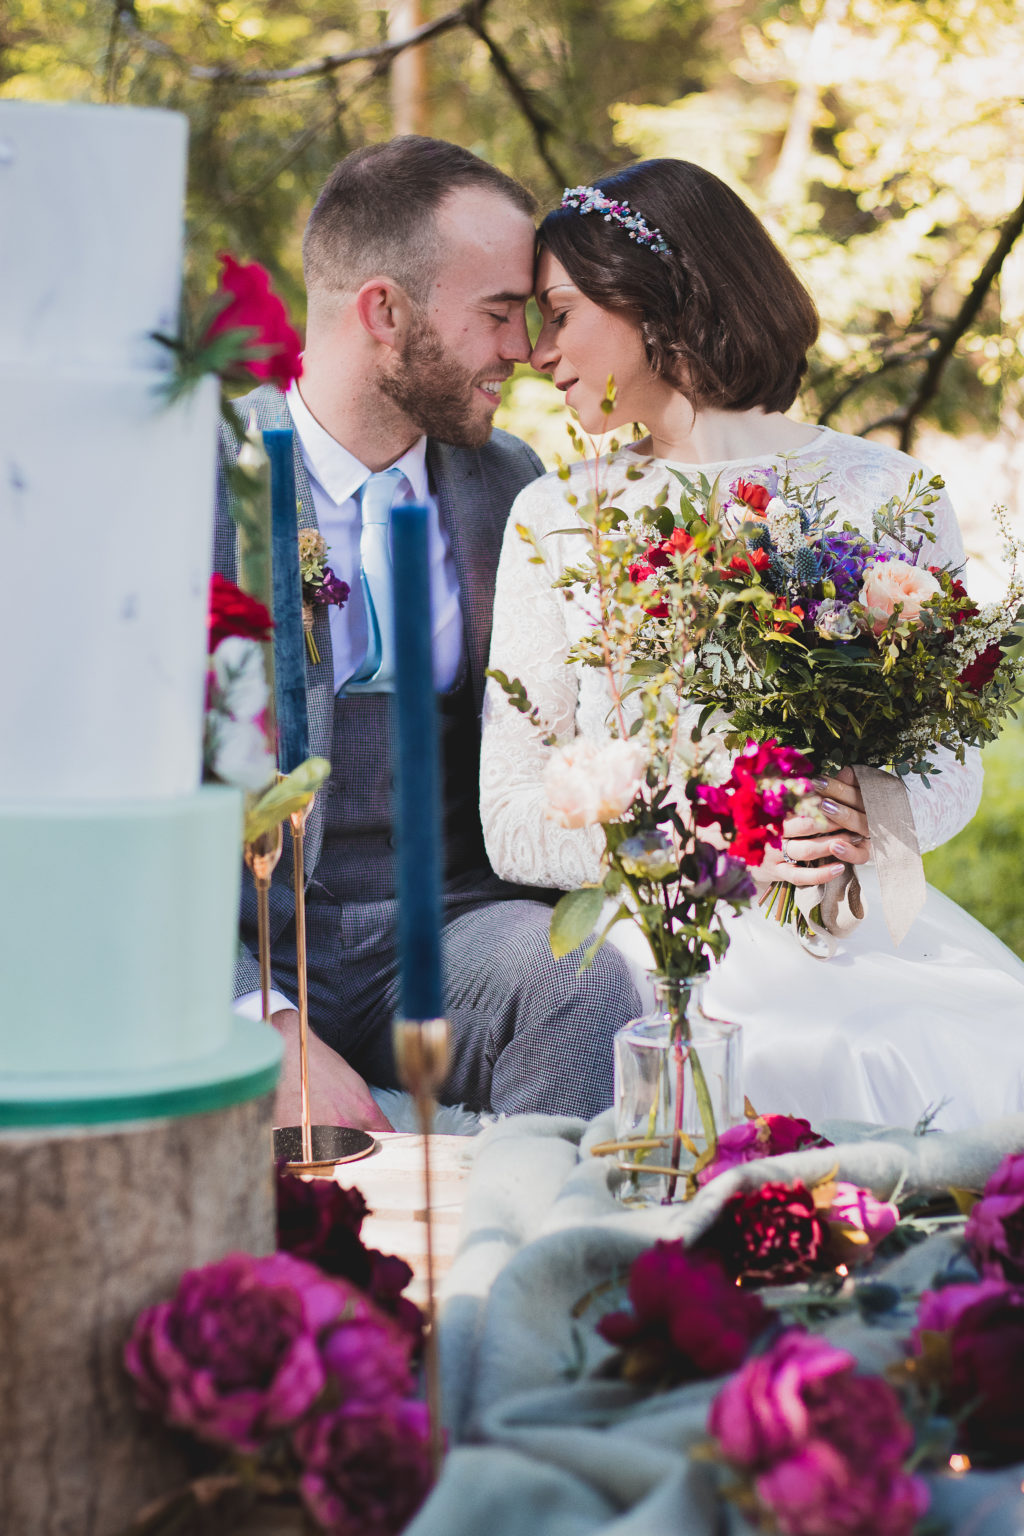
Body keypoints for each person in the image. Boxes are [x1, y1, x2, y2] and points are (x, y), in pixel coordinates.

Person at [480, 157, 1024, 1132]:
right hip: (660, 941)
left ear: (655, 297)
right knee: (781, 1050)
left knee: (937, 1055)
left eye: (559, 312)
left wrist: (871, 812)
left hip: (856, 931)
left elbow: (951, 770)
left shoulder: (888, 493)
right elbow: (511, 816)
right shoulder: (555, 518)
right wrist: (709, 833)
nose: (535, 350)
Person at [217, 137, 642, 1132]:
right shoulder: (195, 477)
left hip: (449, 930)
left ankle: (518, 1249)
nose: (527, 349)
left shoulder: (511, 483)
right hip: (238, 938)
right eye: (498, 312)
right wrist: (261, 1019)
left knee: (579, 983)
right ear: (384, 311)